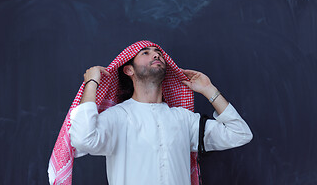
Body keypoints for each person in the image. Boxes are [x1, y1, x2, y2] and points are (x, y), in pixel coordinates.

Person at [67, 41, 253, 185]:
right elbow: (82, 138)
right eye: (145, 53)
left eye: (159, 54)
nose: (156, 55)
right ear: (128, 69)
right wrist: (92, 83)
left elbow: (240, 134)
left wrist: (209, 90)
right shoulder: (117, 117)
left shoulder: (183, 118)